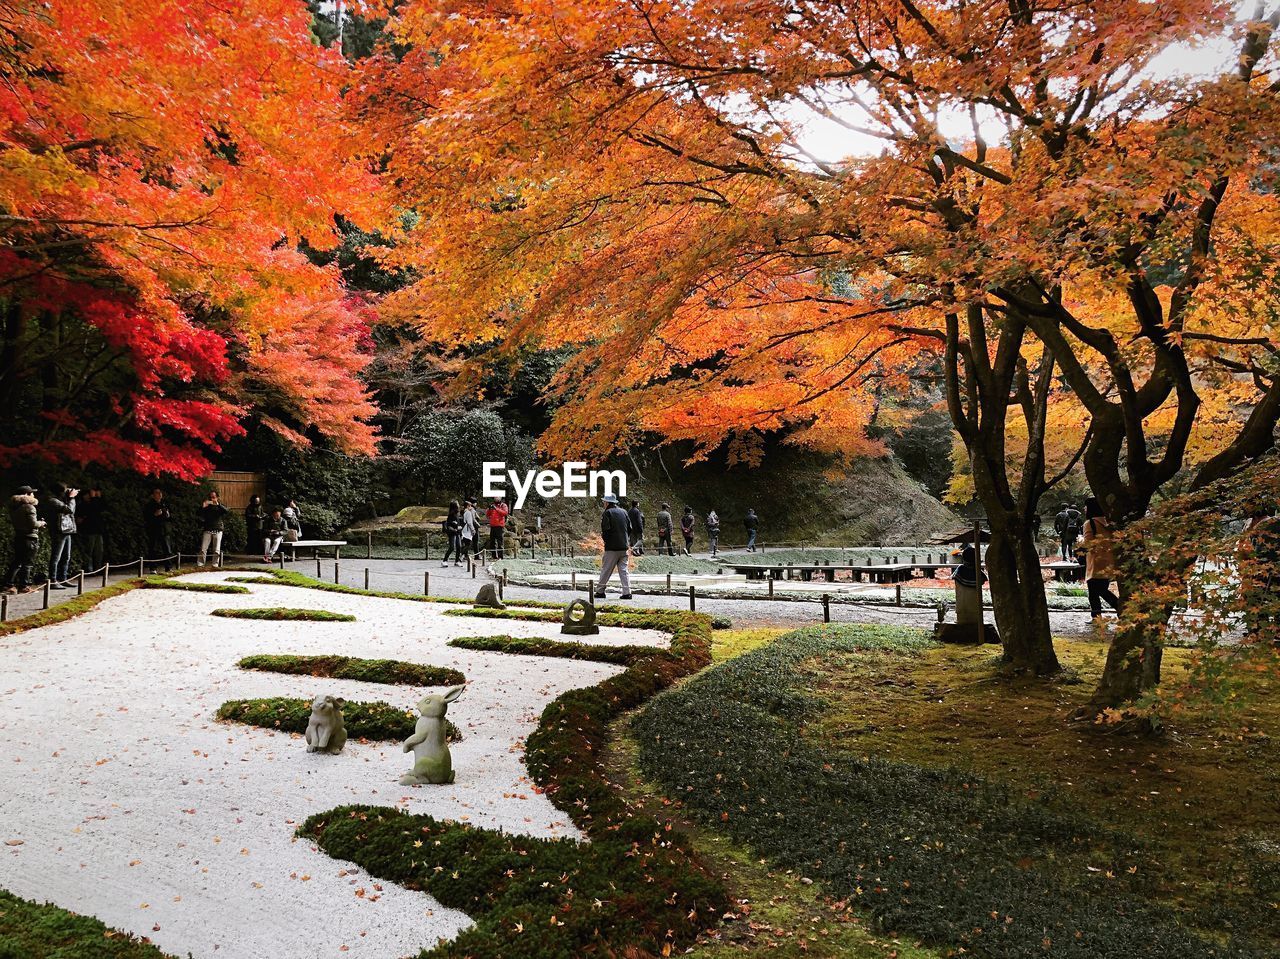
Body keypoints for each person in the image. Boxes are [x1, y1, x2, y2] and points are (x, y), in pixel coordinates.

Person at [1080, 497, 1120, 620]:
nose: (1084, 509)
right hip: (1109, 559)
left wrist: (1080, 543)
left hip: (1095, 560)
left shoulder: (1089, 523)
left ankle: (1118, 608)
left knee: (1097, 591)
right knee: (1099, 589)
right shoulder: (1109, 522)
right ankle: (1096, 616)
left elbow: (1088, 544)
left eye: (1086, 506)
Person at [4, 485, 44, 594]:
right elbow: (33, 524)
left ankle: (8, 585)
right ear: (26, 494)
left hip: (19, 536)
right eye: (32, 493)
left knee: (17, 562)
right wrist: (41, 523)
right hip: (30, 538)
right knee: (27, 563)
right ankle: (24, 586)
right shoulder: (29, 507)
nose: (34, 495)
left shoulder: (14, 507)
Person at [595, 494, 633, 599]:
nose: (603, 504)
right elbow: (630, 528)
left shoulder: (607, 513)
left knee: (606, 569)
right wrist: (625, 540)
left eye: (604, 502)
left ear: (607, 503)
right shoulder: (624, 512)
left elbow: (606, 530)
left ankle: (600, 591)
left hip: (612, 547)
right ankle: (627, 592)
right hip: (624, 547)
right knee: (624, 570)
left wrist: (606, 541)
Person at [43, 483, 77, 587]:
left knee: (66, 557)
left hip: (66, 530)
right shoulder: (52, 500)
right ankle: (53, 580)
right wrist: (71, 498)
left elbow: (71, 512)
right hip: (58, 531)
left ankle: (63, 579)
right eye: (65, 490)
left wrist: (69, 498)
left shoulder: (62, 500)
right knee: (56, 557)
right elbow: (69, 510)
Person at [144, 488, 174, 572]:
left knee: (167, 549)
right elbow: (146, 517)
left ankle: (168, 567)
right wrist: (155, 514)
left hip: (164, 530)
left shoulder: (164, 504)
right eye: (157, 493)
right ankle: (153, 568)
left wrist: (167, 515)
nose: (159, 495)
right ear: (153, 495)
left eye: (160, 493)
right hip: (154, 529)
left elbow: (169, 516)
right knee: (153, 549)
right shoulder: (149, 505)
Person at [78, 487, 106, 571]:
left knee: (99, 551)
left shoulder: (95, 503)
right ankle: (89, 569)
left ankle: (98, 568)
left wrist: (98, 498)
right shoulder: (83, 505)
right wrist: (94, 498)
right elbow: (91, 510)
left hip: (97, 530)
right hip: (89, 531)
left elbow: (101, 508)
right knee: (89, 551)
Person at [198, 490, 229, 565]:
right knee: (203, 549)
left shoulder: (220, 506)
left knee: (216, 550)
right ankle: (200, 564)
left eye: (214, 497)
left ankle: (215, 565)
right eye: (211, 497)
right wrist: (203, 507)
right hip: (207, 529)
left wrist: (218, 504)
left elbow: (226, 511)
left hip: (218, 529)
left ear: (217, 497)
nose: (212, 499)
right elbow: (199, 514)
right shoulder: (207, 506)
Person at [441, 500, 463, 567]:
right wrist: (455, 528)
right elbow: (449, 525)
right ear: (455, 506)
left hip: (458, 533)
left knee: (459, 546)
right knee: (452, 547)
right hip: (452, 533)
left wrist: (460, 529)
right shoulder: (451, 515)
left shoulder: (458, 514)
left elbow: (459, 524)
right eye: (457, 504)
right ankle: (444, 560)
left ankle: (457, 561)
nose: (459, 505)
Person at [460, 498, 479, 563]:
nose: (471, 507)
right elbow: (470, 522)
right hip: (468, 529)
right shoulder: (468, 512)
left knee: (466, 543)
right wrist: (473, 529)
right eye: (470, 506)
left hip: (464, 529)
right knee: (469, 544)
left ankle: (463, 555)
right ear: (468, 506)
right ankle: (461, 555)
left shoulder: (463, 511)